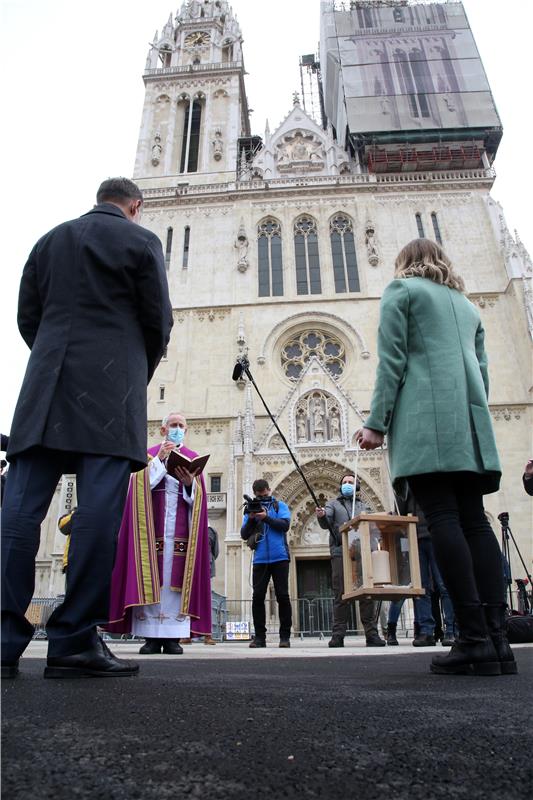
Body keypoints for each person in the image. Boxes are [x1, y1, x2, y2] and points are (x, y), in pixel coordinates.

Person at [1, 177, 173, 679]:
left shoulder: (50, 238)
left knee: (18, 512)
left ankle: (4, 638)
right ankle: (73, 640)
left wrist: (56, 354)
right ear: (134, 207)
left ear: (98, 199)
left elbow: (26, 317)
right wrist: (130, 368)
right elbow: (157, 320)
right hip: (109, 389)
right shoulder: (141, 241)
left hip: (45, 386)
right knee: (98, 515)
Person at [357, 238, 516, 676]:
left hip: (426, 420)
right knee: (475, 520)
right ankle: (498, 640)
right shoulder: (466, 307)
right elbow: (482, 372)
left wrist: (377, 422)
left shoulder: (401, 291)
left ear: (405, 262)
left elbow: (392, 360)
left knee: (442, 518)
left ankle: (472, 638)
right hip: (469, 421)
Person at [105, 412, 212, 655]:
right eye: (173, 425)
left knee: (175, 583)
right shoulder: (150, 455)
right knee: (152, 580)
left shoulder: (193, 458)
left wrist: (188, 483)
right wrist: (160, 463)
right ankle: (150, 637)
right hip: (152, 530)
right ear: (163, 430)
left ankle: (173, 637)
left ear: (186, 430)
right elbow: (135, 486)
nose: (177, 429)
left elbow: (199, 500)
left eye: (181, 426)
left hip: (181, 532)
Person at [315, 474, 386, 648]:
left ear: (357, 487)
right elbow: (326, 522)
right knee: (341, 593)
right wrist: (322, 515)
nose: (347, 485)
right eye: (344, 483)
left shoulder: (364, 506)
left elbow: (373, 525)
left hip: (362, 553)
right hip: (340, 552)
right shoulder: (333, 504)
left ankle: (371, 634)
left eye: (350, 483)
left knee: (366, 593)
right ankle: (338, 635)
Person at [385, 491, 455, 648]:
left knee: (444, 585)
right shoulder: (407, 485)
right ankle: (426, 631)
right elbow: (401, 508)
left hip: (437, 533)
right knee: (421, 588)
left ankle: (451, 630)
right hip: (416, 537)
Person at [241, 479, 292, 648]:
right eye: (259, 496)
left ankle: (285, 637)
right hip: (260, 559)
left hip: (280, 557)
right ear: (255, 494)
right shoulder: (250, 509)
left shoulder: (280, 506)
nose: (263, 498)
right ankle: (260, 638)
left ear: (269, 490)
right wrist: (251, 519)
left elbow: (284, 525)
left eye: (265, 495)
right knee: (257, 598)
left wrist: (266, 518)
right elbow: (243, 534)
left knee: (283, 596)